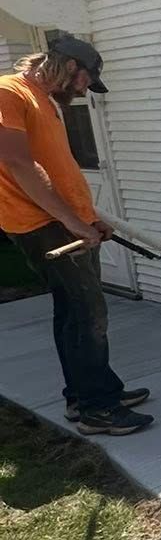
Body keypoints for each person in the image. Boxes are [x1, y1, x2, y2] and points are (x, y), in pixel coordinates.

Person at [0, 36, 152, 436]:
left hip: (64, 221)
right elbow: (17, 163)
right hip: (43, 225)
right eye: (86, 80)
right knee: (89, 314)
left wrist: (89, 217)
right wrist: (74, 223)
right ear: (70, 66)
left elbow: (57, 169)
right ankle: (97, 409)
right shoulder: (9, 92)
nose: (84, 89)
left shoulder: (42, 101)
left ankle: (87, 392)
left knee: (73, 312)